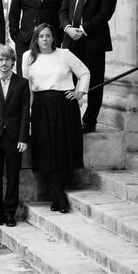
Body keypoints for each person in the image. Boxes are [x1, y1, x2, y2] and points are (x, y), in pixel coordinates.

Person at [22, 23, 89, 213]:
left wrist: (79, 92)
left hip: (64, 106)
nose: (44, 39)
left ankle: (58, 196)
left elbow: (84, 73)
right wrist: (28, 114)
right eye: (41, 36)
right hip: (41, 107)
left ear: (53, 38)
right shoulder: (28, 57)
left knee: (60, 149)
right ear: (36, 38)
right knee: (45, 149)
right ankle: (57, 195)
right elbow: (27, 87)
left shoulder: (64, 54)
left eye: (48, 36)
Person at [58, 0, 117, 134]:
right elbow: (63, 12)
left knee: (94, 82)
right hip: (71, 41)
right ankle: (71, 119)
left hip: (94, 42)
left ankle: (89, 121)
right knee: (69, 81)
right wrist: (68, 28)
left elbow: (105, 14)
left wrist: (83, 30)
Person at [0, 45, 30, 228]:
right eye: (0, 59)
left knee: (12, 176)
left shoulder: (22, 83)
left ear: (12, 61)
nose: (4, 63)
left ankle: (10, 213)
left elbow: (26, 113)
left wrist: (23, 138)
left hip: (14, 137)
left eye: (7, 59)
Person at [8, 0, 67, 72]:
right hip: (25, 41)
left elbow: (65, 12)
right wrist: (17, 36)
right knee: (24, 77)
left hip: (51, 41)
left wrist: (59, 36)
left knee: (49, 74)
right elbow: (13, 14)